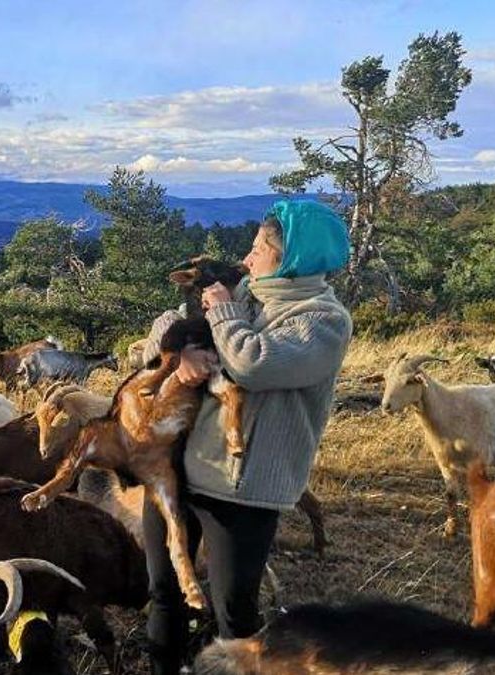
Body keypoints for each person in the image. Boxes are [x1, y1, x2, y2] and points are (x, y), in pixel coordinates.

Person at [140, 199, 353, 674]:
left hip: (242, 490)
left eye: (259, 248)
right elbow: (164, 324)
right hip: (177, 474)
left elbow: (254, 363)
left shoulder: (323, 321)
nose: (248, 257)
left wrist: (222, 316)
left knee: (232, 613)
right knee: (164, 592)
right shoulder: (248, 295)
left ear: (291, 258)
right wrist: (182, 357)